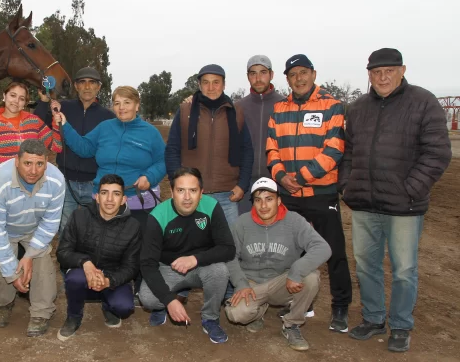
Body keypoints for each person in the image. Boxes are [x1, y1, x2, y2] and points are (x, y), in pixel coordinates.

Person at [339, 48, 452, 352]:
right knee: (366, 266)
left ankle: (401, 325)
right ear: (369, 75)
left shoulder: (422, 102)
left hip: (405, 206)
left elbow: (438, 153)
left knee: (404, 270)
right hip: (364, 204)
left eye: (389, 70)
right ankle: (374, 318)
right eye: (377, 72)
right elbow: (347, 152)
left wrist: (411, 188)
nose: (383, 76)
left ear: (402, 70)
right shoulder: (358, 108)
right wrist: (347, 185)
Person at [266, 54, 352, 333]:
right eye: (292, 75)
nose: (299, 79)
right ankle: (297, 300)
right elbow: (272, 147)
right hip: (288, 193)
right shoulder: (279, 109)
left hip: (321, 192)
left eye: (303, 73)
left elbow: (334, 149)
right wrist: (280, 176)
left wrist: (300, 178)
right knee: (288, 250)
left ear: (313, 74)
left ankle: (340, 307)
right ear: (287, 79)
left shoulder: (332, 105)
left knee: (333, 250)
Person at [224, 177, 331, 351]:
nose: (263, 206)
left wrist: (296, 272)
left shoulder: (294, 221)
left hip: (283, 282)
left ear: (279, 200)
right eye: (258, 200)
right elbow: (229, 255)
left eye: (269, 199)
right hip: (252, 284)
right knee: (236, 314)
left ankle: (291, 325)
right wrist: (241, 283)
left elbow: (323, 248)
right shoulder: (241, 223)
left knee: (310, 278)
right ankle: (257, 313)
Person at [0, 139, 66, 337]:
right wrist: (12, 275)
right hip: (1, 227)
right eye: (27, 163)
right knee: (1, 266)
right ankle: (3, 303)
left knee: (43, 265)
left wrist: (30, 255)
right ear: (17, 162)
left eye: (39, 164)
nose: (33, 170)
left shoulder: (57, 181)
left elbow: (50, 223)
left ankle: (41, 313)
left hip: (34, 225)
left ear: (47, 163)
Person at [138, 167, 235, 344]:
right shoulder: (157, 216)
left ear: (201, 192)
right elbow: (147, 263)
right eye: (181, 190)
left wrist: (195, 259)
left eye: (193, 190)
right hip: (169, 268)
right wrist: (168, 301)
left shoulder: (212, 206)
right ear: (172, 192)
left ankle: (210, 319)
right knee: (148, 299)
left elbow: (228, 248)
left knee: (220, 271)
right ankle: (166, 302)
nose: (187, 197)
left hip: (201, 266)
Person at [53, 85, 166, 232]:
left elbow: (163, 160)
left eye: (127, 102)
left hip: (137, 201)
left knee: (137, 247)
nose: (121, 107)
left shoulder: (150, 133)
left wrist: (150, 177)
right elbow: (84, 147)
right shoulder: (105, 127)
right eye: (117, 103)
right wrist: (65, 125)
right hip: (104, 200)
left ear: (137, 106)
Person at [165, 64, 253, 228]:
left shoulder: (237, 113)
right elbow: (172, 150)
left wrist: (242, 185)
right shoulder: (185, 111)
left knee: (229, 248)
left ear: (224, 84)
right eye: (206, 82)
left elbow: (247, 151)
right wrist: (176, 182)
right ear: (199, 85)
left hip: (227, 196)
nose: (211, 87)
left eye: (216, 82)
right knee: (193, 247)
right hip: (191, 194)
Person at [56, 174, 141, 341]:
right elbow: (63, 252)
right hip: (82, 271)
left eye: (116, 194)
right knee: (74, 279)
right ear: (96, 197)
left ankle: (108, 306)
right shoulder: (79, 216)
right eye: (104, 193)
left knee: (124, 307)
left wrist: (108, 281)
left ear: (124, 199)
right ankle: (73, 316)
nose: (109, 199)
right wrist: (85, 263)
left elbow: (131, 267)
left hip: (112, 276)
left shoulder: (133, 226)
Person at [34, 67, 115, 236]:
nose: (87, 87)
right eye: (82, 82)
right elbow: (38, 125)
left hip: (95, 183)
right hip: (66, 181)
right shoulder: (62, 108)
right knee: (66, 229)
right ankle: (68, 263)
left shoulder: (108, 116)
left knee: (95, 231)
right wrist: (43, 101)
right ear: (76, 86)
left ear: (98, 87)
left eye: (92, 83)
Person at [0, 81, 62, 195]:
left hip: (29, 188)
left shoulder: (34, 122)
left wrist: (56, 122)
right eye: (13, 95)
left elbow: (56, 147)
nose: (16, 101)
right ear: (4, 96)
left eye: (21, 98)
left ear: (25, 103)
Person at [235, 55, 286, 215]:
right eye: (253, 73)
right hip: (245, 183)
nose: (258, 78)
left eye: (263, 72)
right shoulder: (237, 108)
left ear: (271, 75)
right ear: (248, 76)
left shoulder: (285, 105)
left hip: (278, 181)